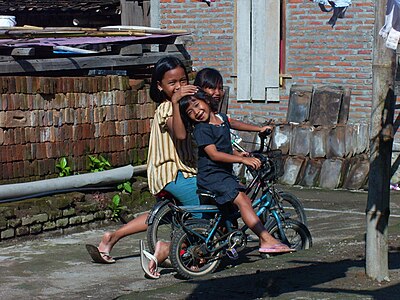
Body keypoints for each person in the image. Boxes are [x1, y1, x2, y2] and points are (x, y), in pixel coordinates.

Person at [86, 56, 200, 279]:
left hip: (165, 175)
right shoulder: (168, 108)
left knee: (160, 215)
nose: (178, 86)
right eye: (172, 83)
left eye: (183, 80)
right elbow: (179, 133)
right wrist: (177, 102)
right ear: (159, 86)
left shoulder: (180, 106)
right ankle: (170, 249)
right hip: (175, 174)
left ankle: (112, 237)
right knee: (205, 208)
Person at [179, 89, 295, 254]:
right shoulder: (202, 129)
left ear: (205, 101)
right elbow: (213, 154)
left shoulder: (221, 119)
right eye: (190, 112)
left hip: (223, 174)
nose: (197, 112)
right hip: (212, 176)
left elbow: (234, 125)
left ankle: (229, 241)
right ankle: (265, 238)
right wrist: (242, 159)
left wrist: (258, 130)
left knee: (235, 206)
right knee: (243, 200)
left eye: (197, 105)